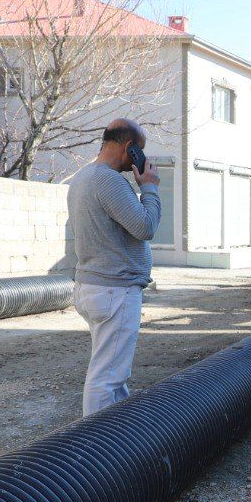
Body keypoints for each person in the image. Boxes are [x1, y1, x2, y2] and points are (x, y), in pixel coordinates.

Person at [67, 118, 161, 416]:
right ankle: (97, 451)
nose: (142, 159)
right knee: (107, 380)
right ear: (129, 147)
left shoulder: (83, 178)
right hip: (114, 290)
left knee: (112, 375)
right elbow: (145, 226)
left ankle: (116, 443)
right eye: (140, 151)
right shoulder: (108, 180)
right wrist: (149, 188)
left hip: (96, 287)